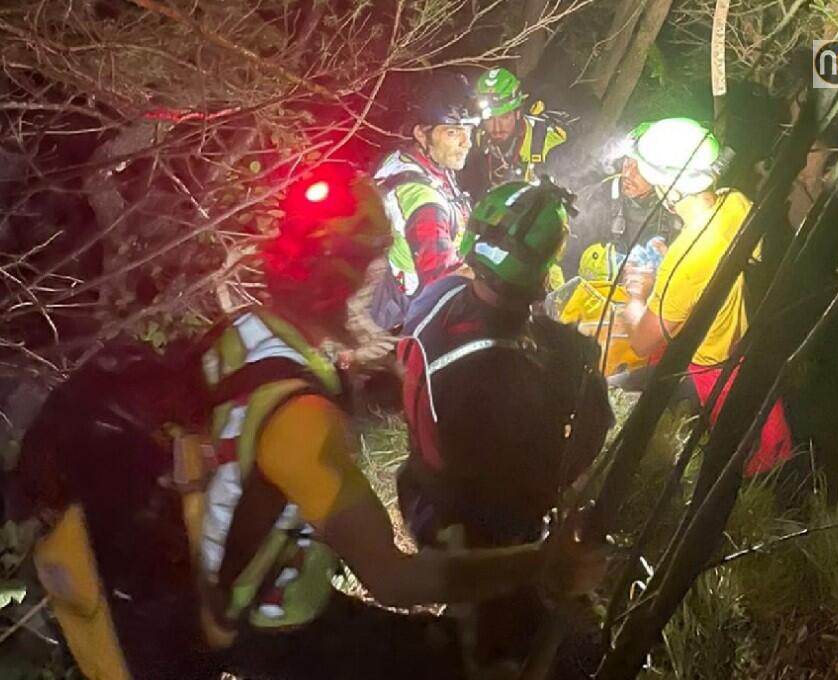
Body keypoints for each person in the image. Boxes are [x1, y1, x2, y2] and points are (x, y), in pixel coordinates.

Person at [13, 166, 604, 680]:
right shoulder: (302, 417)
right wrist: (539, 564)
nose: (388, 289)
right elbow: (391, 578)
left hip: (213, 577)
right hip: (270, 618)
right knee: (450, 666)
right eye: (376, 268)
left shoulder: (245, 330)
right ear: (341, 283)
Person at [394, 179, 613, 675]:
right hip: (477, 528)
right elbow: (549, 473)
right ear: (544, 270)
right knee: (511, 647)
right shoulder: (509, 377)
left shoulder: (440, 295)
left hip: (422, 490)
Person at [619, 118, 795, 477]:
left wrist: (636, 296)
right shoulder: (736, 202)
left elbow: (641, 340)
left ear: (669, 185)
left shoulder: (687, 256)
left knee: (612, 395)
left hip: (705, 372)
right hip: (743, 350)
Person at [371, 71, 480, 331]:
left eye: (469, 130)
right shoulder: (423, 201)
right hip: (396, 326)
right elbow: (446, 279)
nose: (467, 143)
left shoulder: (409, 160)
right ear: (422, 133)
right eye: (454, 132)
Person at [560, 124, 679, 279]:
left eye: (640, 167)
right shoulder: (597, 197)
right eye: (627, 162)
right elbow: (564, 256)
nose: (628, 173)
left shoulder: (677, 214)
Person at [461, 67, 568, 197]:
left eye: (504, 117)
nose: (496, 127)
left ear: (517, 113)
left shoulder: (547, 141)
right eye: (489, 119)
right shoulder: (475, 140)